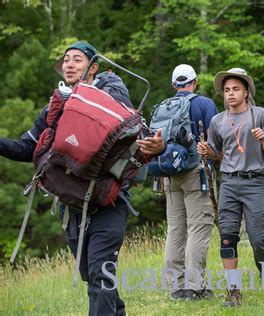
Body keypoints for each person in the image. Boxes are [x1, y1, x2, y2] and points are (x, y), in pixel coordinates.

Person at [0, 41, 165, 316]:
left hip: (110, 199)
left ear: (93, 67)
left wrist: (158, 147)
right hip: (73, 203)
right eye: (66, 60)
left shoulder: (112, 92)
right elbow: (27, 147)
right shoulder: (57, 105)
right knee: (92, 273)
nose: (69, 64)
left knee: (100, 270)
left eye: (77, 59)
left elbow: (134, 131)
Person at [197, 68, 264, 307]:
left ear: (246, 92)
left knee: (259, 239)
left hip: (254, 182)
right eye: (226, 90)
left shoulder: (260, 115)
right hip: (229, 184)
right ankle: (233, 292)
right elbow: (214, 153)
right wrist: (206, 150)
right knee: (227, 240)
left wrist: (263, 138)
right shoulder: (217, 121)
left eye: (235, 89)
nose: (230, 94)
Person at [158, 64, 218, 300]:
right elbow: (215, 140)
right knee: (199, 227)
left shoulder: (164, 106)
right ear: (195, 82)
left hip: (169, 174)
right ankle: (195, 287)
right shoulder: (204, 104)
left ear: (174, 85)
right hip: (197, 171)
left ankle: (177, 286)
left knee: (176, 229)